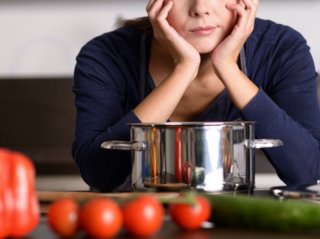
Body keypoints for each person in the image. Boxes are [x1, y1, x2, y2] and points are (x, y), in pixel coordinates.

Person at [72, 0, 320, 192]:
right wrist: (183, 69)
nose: (200, 8)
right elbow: (98, 174)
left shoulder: (282, 48)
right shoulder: (105, 55)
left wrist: (227, 67)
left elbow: (306, 171)